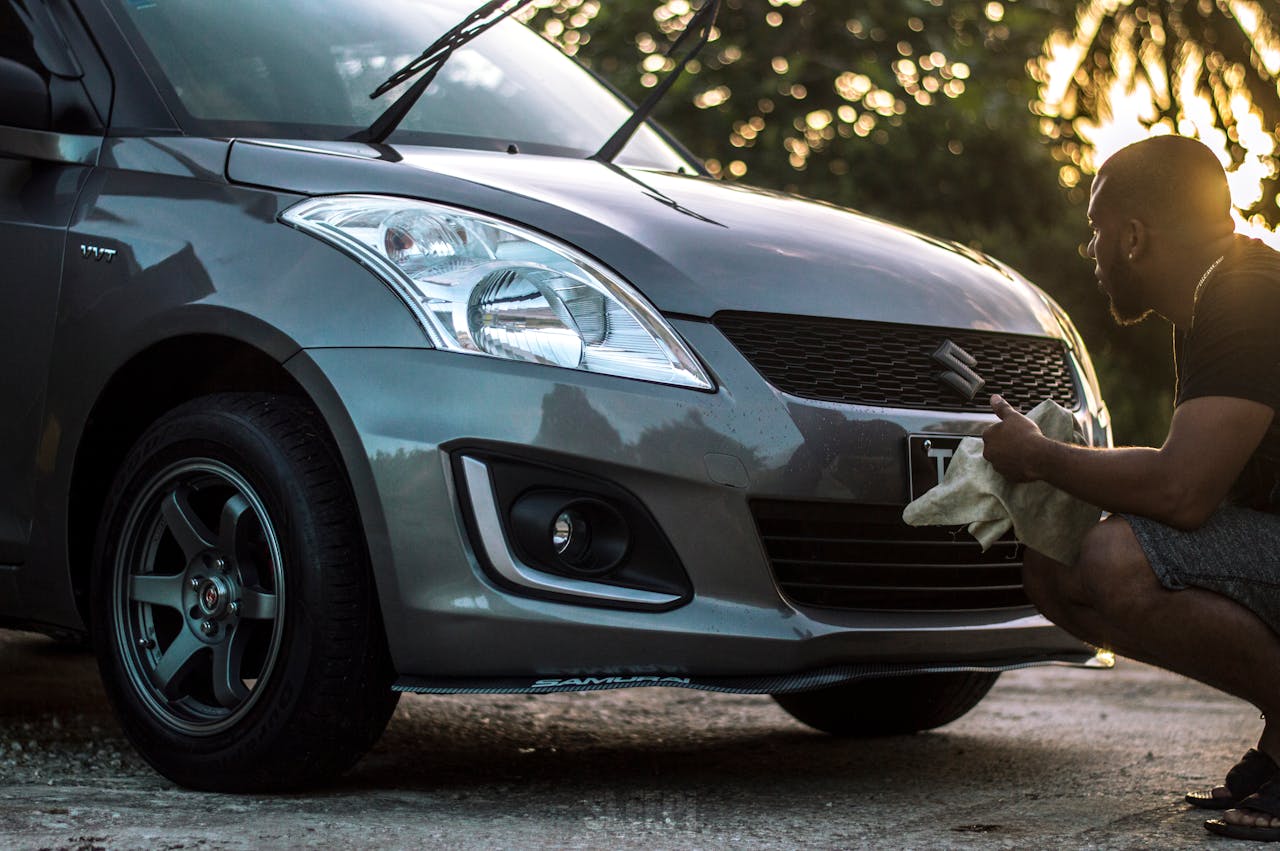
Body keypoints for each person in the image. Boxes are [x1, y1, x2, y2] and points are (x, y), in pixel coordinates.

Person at [981, 134, 1280, 842]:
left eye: (1097, 231)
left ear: (1135, 236)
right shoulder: (1216, 296)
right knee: (1056, 569)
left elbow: (1184, 490)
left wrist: (1043, 456)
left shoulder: (1245, 294)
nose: (1092, 251)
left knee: (1117, 558)